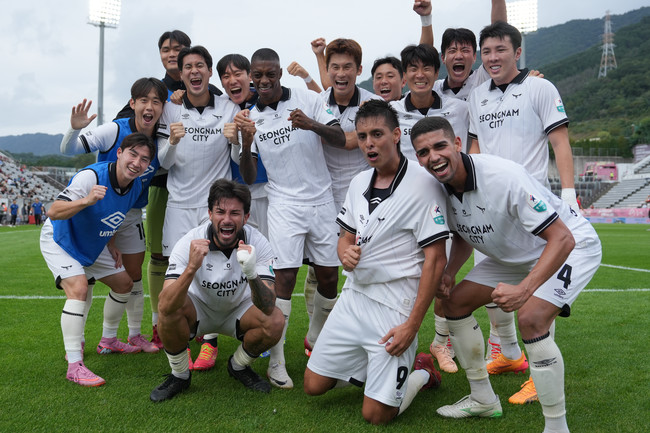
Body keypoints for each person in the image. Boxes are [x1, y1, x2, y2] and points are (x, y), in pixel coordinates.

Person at [411, 116, 601, 433]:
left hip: (571, 245)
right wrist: (450, 271)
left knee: (531, 318)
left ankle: (557, 428)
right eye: (423, 152)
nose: (433, 157)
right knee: (453, 303)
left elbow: (562, 238)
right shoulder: (436, 186)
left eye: (440, 146)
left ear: (457, 144)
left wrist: (525, 290)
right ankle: (483, 400)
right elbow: (463, 232)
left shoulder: (502, 176)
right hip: (515, 255)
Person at [304, 99, 448, 425]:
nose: (369, 143)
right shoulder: (358, 182)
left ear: (396, 135)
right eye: (363, 136)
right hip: (354, 297)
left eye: (377, 134)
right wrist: (344, 252)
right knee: (313, 386)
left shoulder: (424, 185)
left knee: (377, 416)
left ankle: (423, 372)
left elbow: (436, 259)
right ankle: (374, 370)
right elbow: (345, 236)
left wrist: (412, 326)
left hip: (394, 306)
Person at [468, 21, 580, 404]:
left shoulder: (540, 87)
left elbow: (560, 142)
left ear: (517, 52)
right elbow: (475, 148)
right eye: (487, 51)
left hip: (533, 209)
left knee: (537, 293)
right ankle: (506, 354)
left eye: (500, 49)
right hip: (491, 209)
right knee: (492, 288)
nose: (493, 57)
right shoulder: (477, 96)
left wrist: (569, 195)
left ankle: (537, 374)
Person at [236, 48, 345, 389]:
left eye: (270, 74)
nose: (264, 80)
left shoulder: (308, 99)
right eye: (258, 75)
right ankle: (277, 362)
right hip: (284, 205)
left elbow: (340, 138)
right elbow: (249, 176)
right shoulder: (249, 116)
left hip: (322, 200)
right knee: (283, 281)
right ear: (251, 77)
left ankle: (315, 336)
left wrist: (310, 123)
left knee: (329, 278)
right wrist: (245, 143)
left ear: (280, 73)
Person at [149, 179, 283, 401]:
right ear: (210, 214)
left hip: (239, 311)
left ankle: (238, 366)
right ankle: (180, 375)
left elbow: (268, 307)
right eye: (220, 212)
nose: (227, 219)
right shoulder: (189, 241)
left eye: (235, 213)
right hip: (198, 309)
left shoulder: (258, 243)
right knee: (169, 310)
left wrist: (251, 273)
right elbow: (164, 305)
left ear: (246, 217)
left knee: (276, 320)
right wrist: (192, 267)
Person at [60, 77, 167, 354]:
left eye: (156, 101)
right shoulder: (114, 130)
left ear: (162, 107)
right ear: (133, 103)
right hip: (98, 212)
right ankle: (78, 337)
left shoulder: (163, 137)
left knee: (133, 274)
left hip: (131, 213)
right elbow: (68, 150)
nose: (149, 106)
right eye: (143, 100)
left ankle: (130, 335)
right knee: (87, 277)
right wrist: (74, 129)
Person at [40, 133, 155, 386]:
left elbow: (113, 214)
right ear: (119, 153)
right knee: (79, 288)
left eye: (144, 159)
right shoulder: (91, 176)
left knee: (124, 284)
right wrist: (87, 200)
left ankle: (108, 340)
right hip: (61, 238)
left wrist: (111, 243)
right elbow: (54, 211)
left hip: (92, 240)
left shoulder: (136, 185)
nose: (137, 163)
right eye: (133, 154)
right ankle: (74, 365)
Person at [300, 38, 383, 352]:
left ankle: (359, 335)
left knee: (362, 266)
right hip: (323, 197)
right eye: (334, 67)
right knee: (320, 271)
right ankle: (317, 336)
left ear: (359, 70)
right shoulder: (316, 101)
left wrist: (319, 128)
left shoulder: (373, 104)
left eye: (348, 66)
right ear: (328, 69)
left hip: (365, 196)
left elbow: (353, 143)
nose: (341, 73)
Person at [188, 53, 268, 371]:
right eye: (226, 76)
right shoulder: (223, 106)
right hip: (233, 200)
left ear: (250, 75)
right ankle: (209, 341)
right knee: (215, 260)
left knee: (257, 261)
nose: (232, 80)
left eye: (238, 74)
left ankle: (256, 328)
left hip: (267, 194)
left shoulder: (266, 99)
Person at [390, 44, 470, 161]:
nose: (420, 75)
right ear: (405, 75)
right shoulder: (391, 112)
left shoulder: (461, 109)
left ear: (436, 73)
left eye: (426, 69)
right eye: (413, 69)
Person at [433, 0, 507, 101]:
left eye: (465, 50)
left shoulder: (482, 78)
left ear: (474, 57)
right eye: (452, 51)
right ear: (443, 58)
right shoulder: (435, 89)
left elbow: (499, 35)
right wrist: (425, 19)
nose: (458, 56)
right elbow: (422, 59)